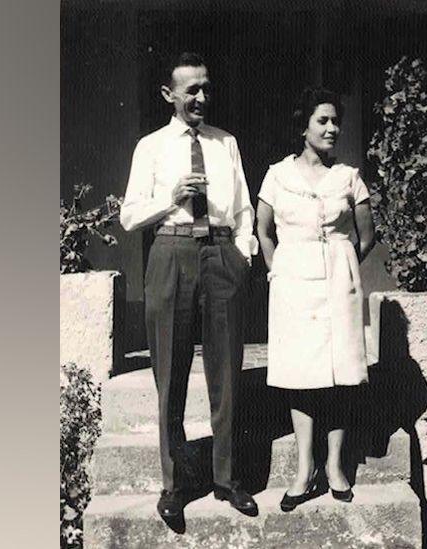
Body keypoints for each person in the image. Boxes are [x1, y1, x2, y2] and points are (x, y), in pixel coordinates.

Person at [119, 52, 258, 519]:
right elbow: (129, 215)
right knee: (171, 371)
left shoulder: (226, 144)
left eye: (205, 87)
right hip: (171, 250)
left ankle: (227, 478)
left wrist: (242, 254)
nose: (201, 97)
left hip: (220, 254)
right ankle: (174, 485)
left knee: (226, 372)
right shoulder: (151, 147)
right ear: (169, 95)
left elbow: (243, 210)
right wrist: (171, 196)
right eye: (191, 90)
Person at [256, 88, 376, 512]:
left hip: (338, 285)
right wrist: (279, 270)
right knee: (300, 373)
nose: (332, 128)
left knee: (341, 371)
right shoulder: (277, 176)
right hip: (293, 285)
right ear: (303, 126)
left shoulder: (349, 177)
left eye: (335, 121)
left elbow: (367, 235)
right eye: (322, 120)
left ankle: (336, 466)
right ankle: (304, 468)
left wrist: (340, 266)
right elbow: (263, 231)